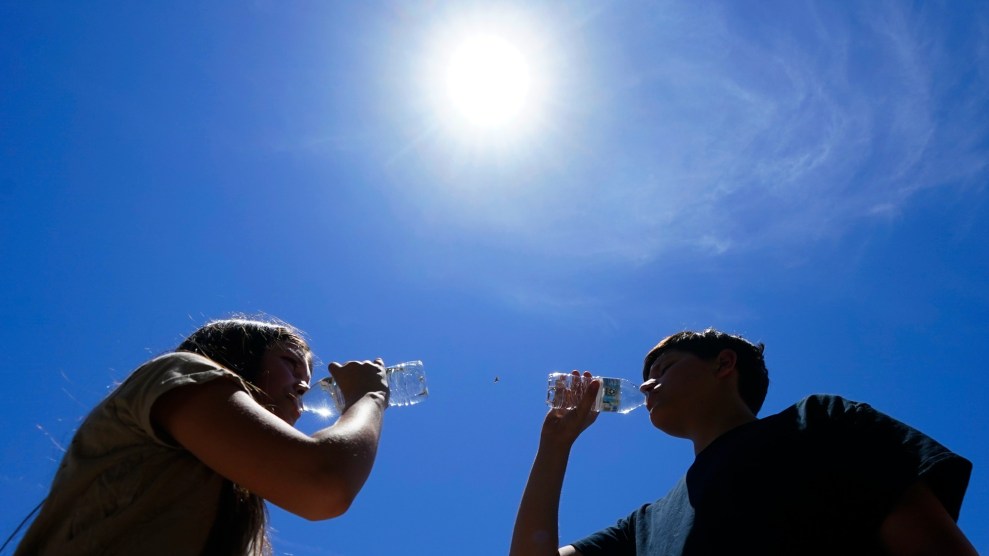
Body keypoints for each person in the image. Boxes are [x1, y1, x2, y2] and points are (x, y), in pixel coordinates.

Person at [510, 328, 977, 556]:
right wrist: (555, 445)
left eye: (663, 369)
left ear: (723, 364)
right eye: (644, 380)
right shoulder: (646, 525)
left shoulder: (819, 423)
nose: (646, 387)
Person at [15, 317, 390, 556]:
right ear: (239, 355)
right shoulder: (179, 372)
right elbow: (323, 483)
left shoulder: (233, 495)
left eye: (306, 375)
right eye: (290, 363)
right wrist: (368, 396)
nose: (304, 384)